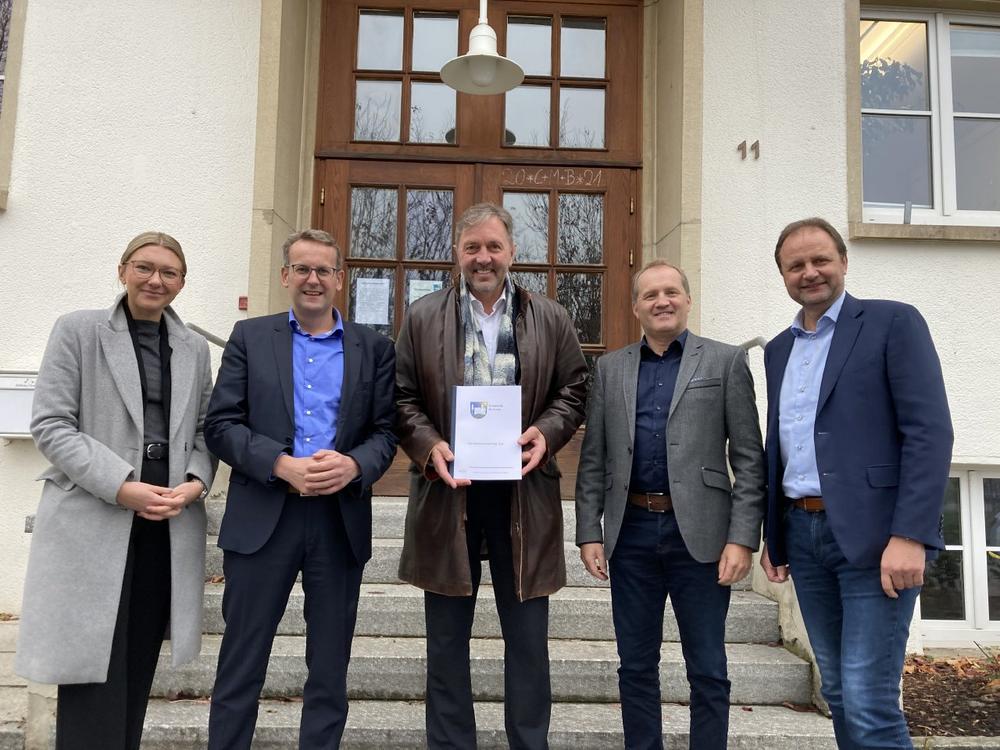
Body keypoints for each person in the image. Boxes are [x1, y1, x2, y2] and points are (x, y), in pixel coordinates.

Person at [395, 202, 588, 749]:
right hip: (447, 495)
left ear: (512, 253)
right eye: (472, 247)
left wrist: (547, 432)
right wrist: (428, 445)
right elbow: (400, 396)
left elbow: (575, 388)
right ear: (457, 253)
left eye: (494, 247)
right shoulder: (422, 316)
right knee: (446, 644)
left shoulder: (550, 316)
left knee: (527, 644)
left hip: (523, 498)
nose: (484, 257)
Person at [15, 232, 217, 750]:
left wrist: (195, 483)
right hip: (94, 515)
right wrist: (122, 486)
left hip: (165, 521)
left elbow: (204, 429)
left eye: (169, 272)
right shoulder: (78, 330)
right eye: (144, 267)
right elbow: (52, 425)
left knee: (137, 663)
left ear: (182, 282)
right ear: (122, 270)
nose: (155, 280)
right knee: (91, 670)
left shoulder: (193, 348)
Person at [760, 217, 953, 749]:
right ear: (783, 275)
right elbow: (782, 445)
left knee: (870, 702)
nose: (809, 272)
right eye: (795, 265)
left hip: (878, 538)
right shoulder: (778, 350)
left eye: (820, 259)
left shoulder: (892, 323)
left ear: (844, 261)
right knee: (841, 694)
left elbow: (929, 433)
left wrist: (910, 534)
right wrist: (774, 535)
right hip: (803, 535)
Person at [204, 228, 396, 749]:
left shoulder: (374, 348)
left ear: (340, 279)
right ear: (286, 275)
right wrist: (279, 464)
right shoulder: (250, 337)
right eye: (303, 269)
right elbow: (220, 425)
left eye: (324, 270)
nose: (314, 279)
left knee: (330, 667)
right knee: (241, 661)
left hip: (338, 522)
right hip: (264, 517)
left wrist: (354, 465)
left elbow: (386, 433)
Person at [575, 259, 766, 750]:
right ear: (635, 307)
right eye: (650, 295)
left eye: (671, 292)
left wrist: (742, 538)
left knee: (708, 667)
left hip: (701, 536)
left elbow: (749, 459)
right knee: (636, 666)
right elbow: (594, 457)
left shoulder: (725, 362)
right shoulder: (610, 368)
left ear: (687, 299)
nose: (662, 301)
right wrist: (589, 531)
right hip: (631, 533)